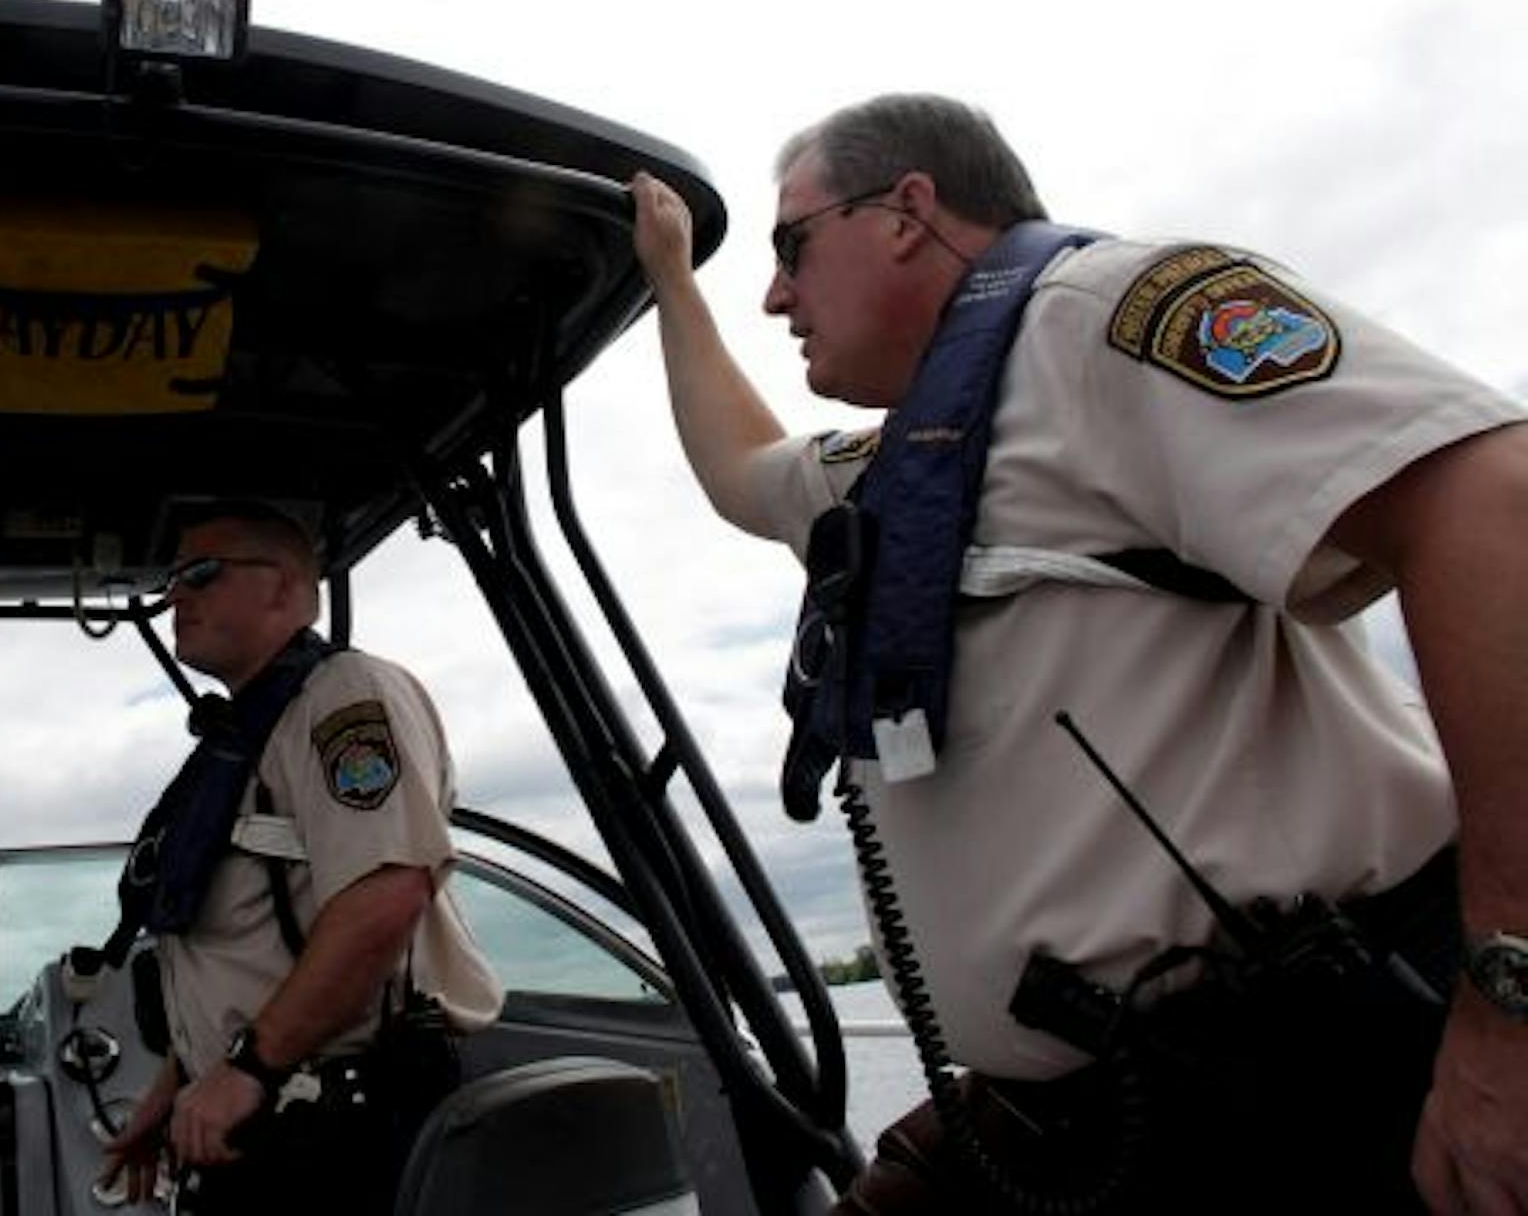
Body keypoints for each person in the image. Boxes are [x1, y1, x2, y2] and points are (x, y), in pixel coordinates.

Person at [627, 94, 1528, 1213]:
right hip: (1091, 1114)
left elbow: (1487, 504)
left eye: (790, 245)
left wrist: (1512, 997)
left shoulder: (1098, 321)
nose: (773, 295)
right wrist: (668, 278)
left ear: (908, 211)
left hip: (1310, 1091)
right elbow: (742, 466)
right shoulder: (897, 472)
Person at [98, 504, 503, 1214]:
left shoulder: (345, 698)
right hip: (262, 1111)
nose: (174, 595)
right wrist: (177, 1089)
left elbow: (386, 892)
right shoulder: (246, 734)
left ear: (282, 587)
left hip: (337, 1127)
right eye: (173, 579)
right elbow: (241, 955)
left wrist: (250, 1067)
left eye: (199, 573)